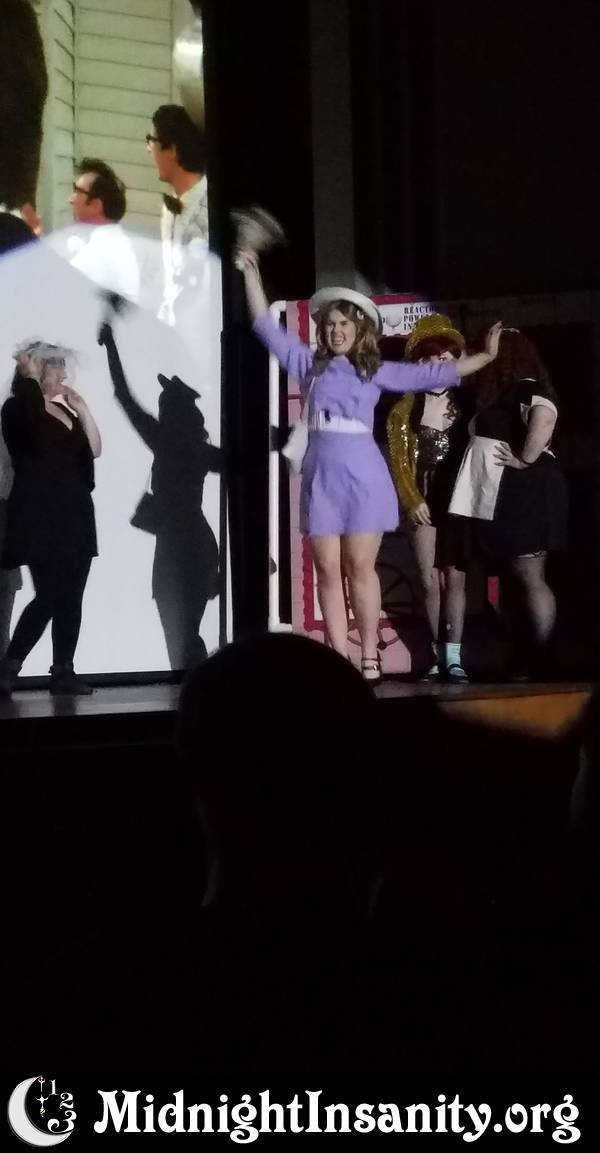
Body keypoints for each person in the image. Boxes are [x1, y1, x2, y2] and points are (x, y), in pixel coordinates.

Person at [235, 245, 501, 681]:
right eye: (330, 324)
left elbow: (432, 374)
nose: (336, 330)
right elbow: (265, 326)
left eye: (344, 323)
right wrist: (250, 271)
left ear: (359, 329)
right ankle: (338, 658)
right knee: (327, 570)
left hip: (363, 478)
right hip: (322, 479)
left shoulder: (374, 370)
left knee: (359, 567)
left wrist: (485, 357)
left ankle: (370, 655)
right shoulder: (307, 363)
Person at [98, 321, 220, 670]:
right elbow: (242, 459)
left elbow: (123, 395)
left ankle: (194, 687)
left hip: (174, 548)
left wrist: (111, 347)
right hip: (196, 544)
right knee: (187, 633)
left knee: (179, 636)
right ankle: (201, 686)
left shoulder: (163, 439)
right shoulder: (199, 450)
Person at [449, 328, 568, 678]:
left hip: (526, 492)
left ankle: (541, 655)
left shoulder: (529, 388)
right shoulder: (498, 396)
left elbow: (544, 420)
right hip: (503, 495)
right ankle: (523, 654)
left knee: (529, 574)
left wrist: (525, 459)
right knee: (513, 578)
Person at [0, 342, 101, 696]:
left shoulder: (64, 409)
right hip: (41, 516)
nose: (65, 375)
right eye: (57, 368)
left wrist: (83, 410)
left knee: (71, 598)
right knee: (50, 595)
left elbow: (94, 449)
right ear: (40, 371)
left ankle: (63, 671)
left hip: (75, 514)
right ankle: (10, 667)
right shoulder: (16, 409)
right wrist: (29, 380)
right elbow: (37, 438)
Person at [387, 313, 473, 682]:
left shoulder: (469, 403)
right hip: (422, 497)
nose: (439, 363)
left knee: (455, 578)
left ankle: (454, 657)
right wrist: (411, 499)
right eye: (431, 357)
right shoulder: (404, 407)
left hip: (458, 500)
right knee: (428, 579)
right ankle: (438, 655)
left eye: (447, 356)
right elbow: (398, 461)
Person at [147, 104, 208, 326]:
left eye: (151, 141)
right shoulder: (171, 208)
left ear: (172, 150)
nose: (148, 150)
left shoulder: (207, 209)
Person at [68, 158, 140, 301]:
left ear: (96, 205)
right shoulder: (117, 242)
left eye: (77, 191)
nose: (70, 199)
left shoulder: (97, 252)